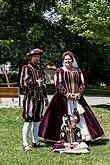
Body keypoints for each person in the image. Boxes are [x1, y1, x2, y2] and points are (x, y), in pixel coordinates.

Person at [39, 50, 104, 142]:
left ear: (72, 60)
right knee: (61, 117)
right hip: (63, 98)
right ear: (63, 60)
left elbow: (82, 83)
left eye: (69, 59)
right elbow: (57, 84)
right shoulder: (59, 71)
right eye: (65, 59)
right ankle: (64, 136)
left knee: (80, 115)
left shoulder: (77, 70)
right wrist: (67, 94)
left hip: (77, 98)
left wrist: (79, 93)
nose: (67, 61)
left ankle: (81, 135)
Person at [20, 48, 49, 151]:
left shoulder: (40, 69)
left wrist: (45, 97)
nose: (37, 58)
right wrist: (36, 82)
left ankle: (35, 142)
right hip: (30, 97)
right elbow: (23, 84)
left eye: (38, 56)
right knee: (28, 119)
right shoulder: (26, 68)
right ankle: (25, 143)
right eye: (35, 56)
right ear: (31, 57)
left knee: (37, 120)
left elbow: (43, 85)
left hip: (39, 98)